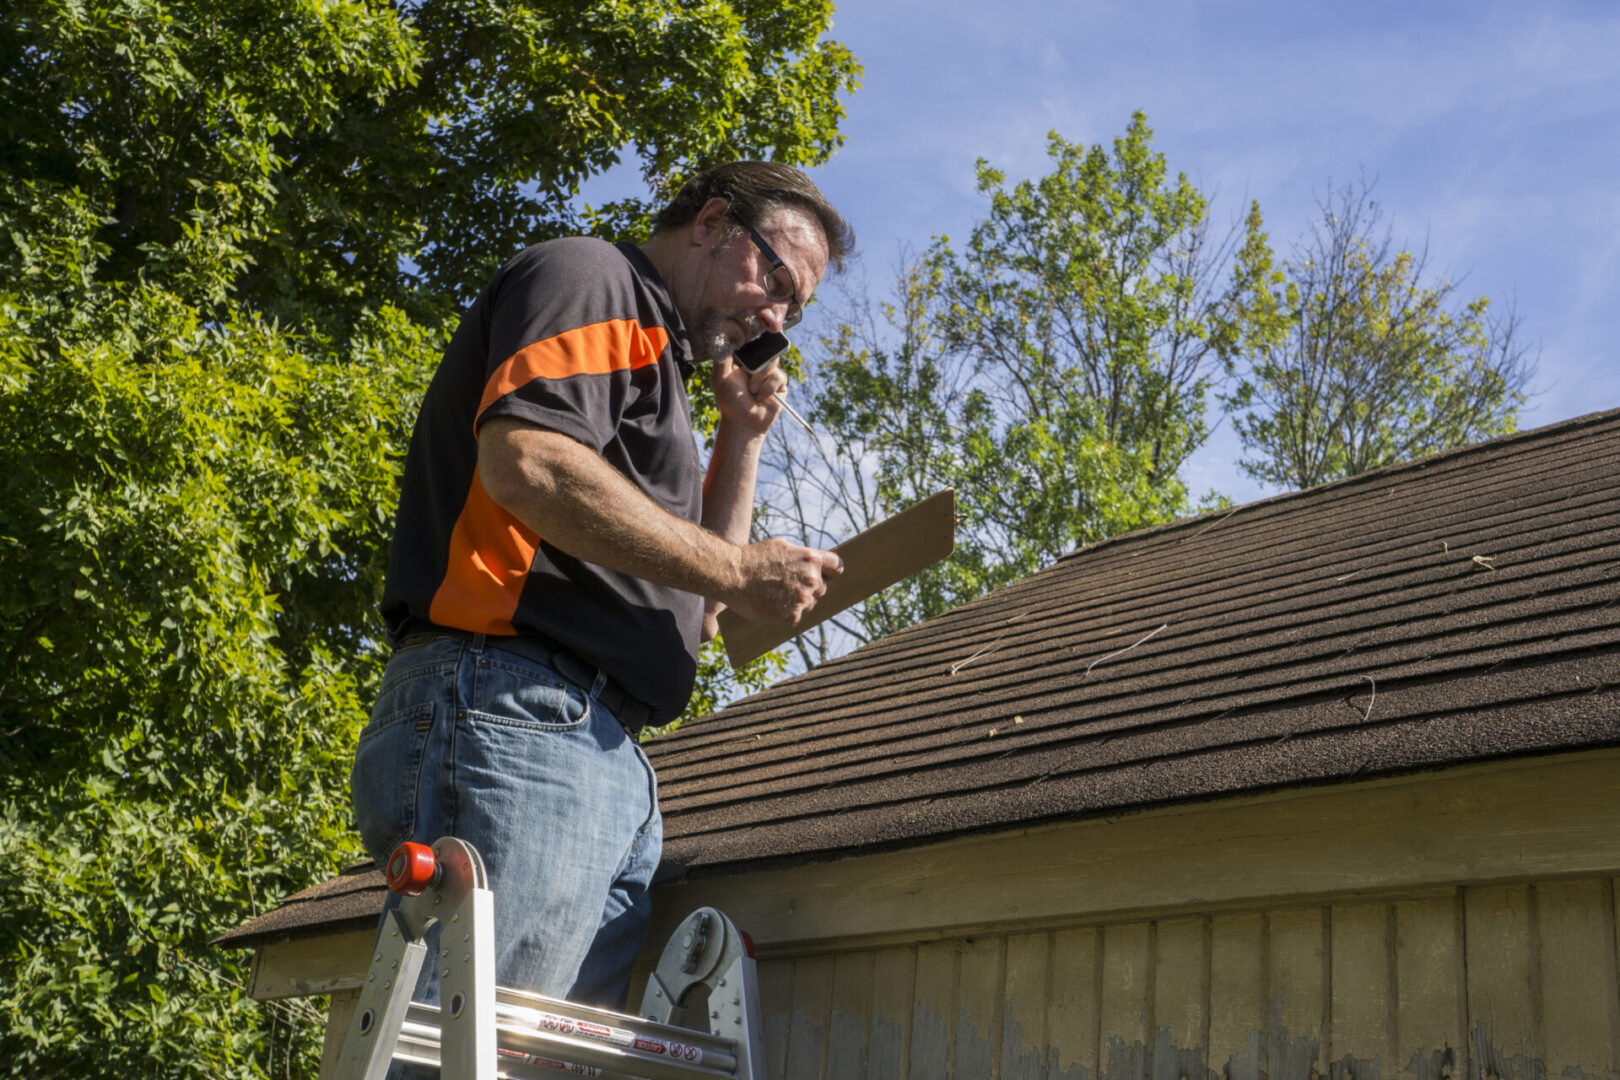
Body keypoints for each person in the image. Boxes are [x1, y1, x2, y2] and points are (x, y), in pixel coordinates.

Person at [349, 161, 853, 1015]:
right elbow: (528, 464)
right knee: (476, 1052)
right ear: (713, 221)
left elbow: (701, 617)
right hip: (516, 711)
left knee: (529, 1060)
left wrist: (743, 438)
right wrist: (737, 567)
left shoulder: (664, 372)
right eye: (774, 279)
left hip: (598, 749)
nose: (775, 317)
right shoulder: (592, 277)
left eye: (794, 310)